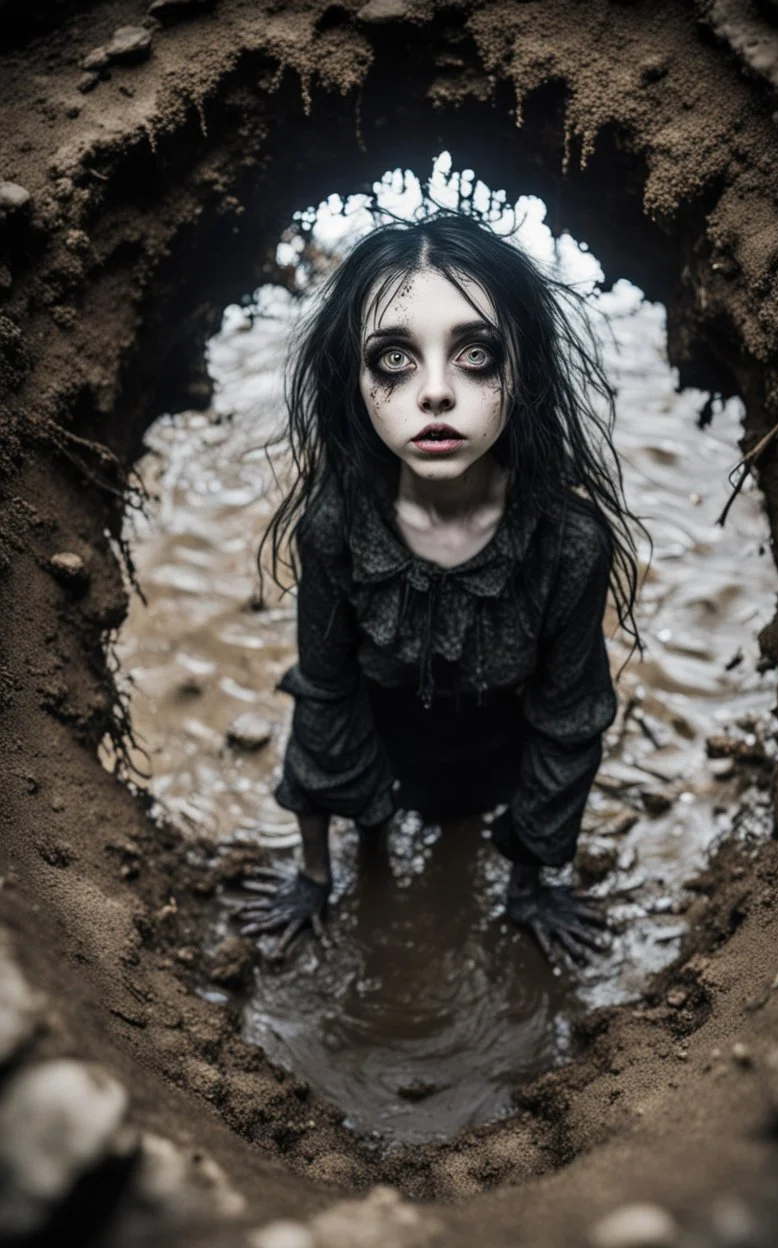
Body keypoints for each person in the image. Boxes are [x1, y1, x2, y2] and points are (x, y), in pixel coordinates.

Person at [236, 210, 642, 967]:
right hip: (381, 769)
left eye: (477, 354)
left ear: (523, 371)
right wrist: (316, 877)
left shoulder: (570, 542)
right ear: (354, 382)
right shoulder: (334, 526)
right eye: (393, 359)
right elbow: (325, 700)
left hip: (497, 768)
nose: (434, 394)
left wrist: (529, 886)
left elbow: (567, 725)